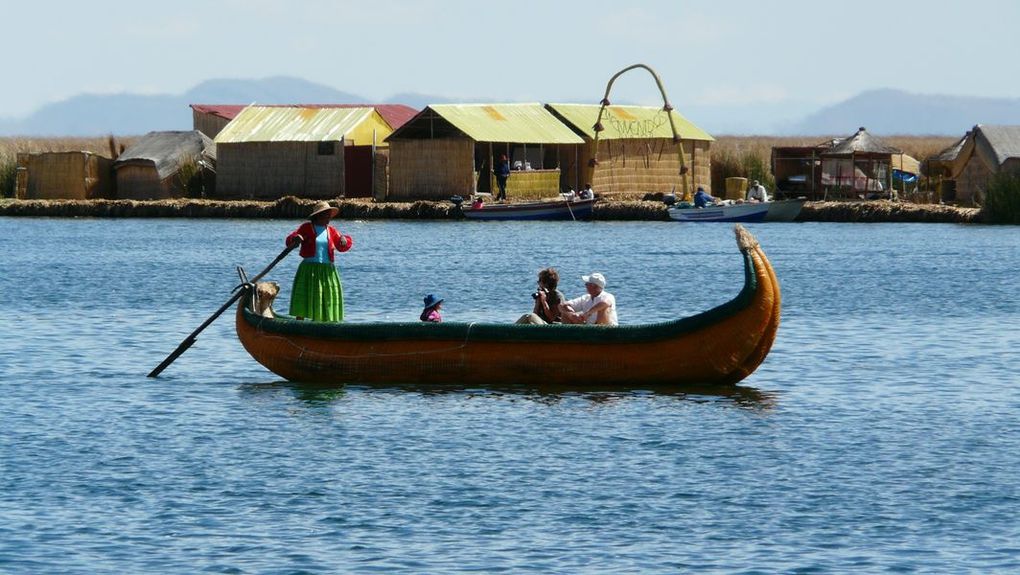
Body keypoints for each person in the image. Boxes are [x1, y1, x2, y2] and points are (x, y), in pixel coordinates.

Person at [286, 201, 354, 322]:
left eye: (329, 215)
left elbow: (342, 245)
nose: (328, 218)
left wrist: (345, 239)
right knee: (306, 296)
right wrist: (295, 239)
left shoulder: (331, 231)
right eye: (325, 215)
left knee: (326, 297)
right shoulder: (306, 228)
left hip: (328, 270)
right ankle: (298, 325)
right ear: (317, 216)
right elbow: (291, 239)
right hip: (309, 269)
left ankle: (325, 324)